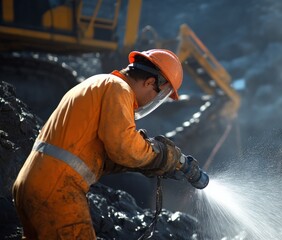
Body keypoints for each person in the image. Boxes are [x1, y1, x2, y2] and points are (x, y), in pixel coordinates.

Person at [12, 49, 187, 239]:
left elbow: (102, 155)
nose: (153, 101)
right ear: (150, 82)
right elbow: (124, 148)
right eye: (158, 96)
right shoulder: (118, 89)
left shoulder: (98, 84)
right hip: (58, 189)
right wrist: (160, 155)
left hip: (31, 183)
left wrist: (148, 164)